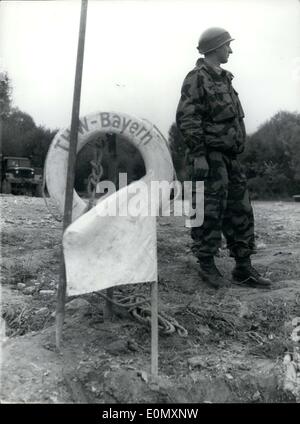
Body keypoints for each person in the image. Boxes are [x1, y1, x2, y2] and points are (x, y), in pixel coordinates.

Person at [176, 27, 271, 289]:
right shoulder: (196, 78)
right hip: (209, 157)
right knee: (208, 209)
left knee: (240, 209)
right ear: (215, 47)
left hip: (230, 158)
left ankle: (243, 267)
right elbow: (188, 117)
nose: (231, 49)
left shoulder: (226, 78)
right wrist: (199, 155)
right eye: (227, 45)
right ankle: (206, 264)